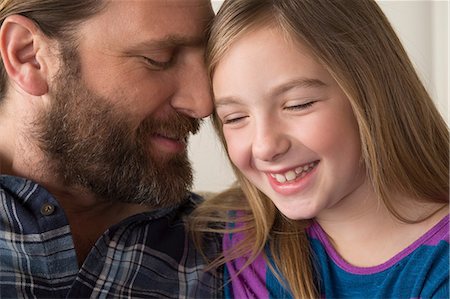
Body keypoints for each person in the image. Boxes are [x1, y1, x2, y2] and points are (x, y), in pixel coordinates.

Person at [190, 0, 449, 298]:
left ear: (372, 93)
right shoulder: (237, 239)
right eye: (235, 118)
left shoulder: (439, 265)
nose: (265, 146)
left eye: (298, 104)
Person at [0, 0, 222, 298]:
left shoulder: (234, 256)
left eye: (208, 60)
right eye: (158, 58)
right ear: (29, 56)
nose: (204, 104)